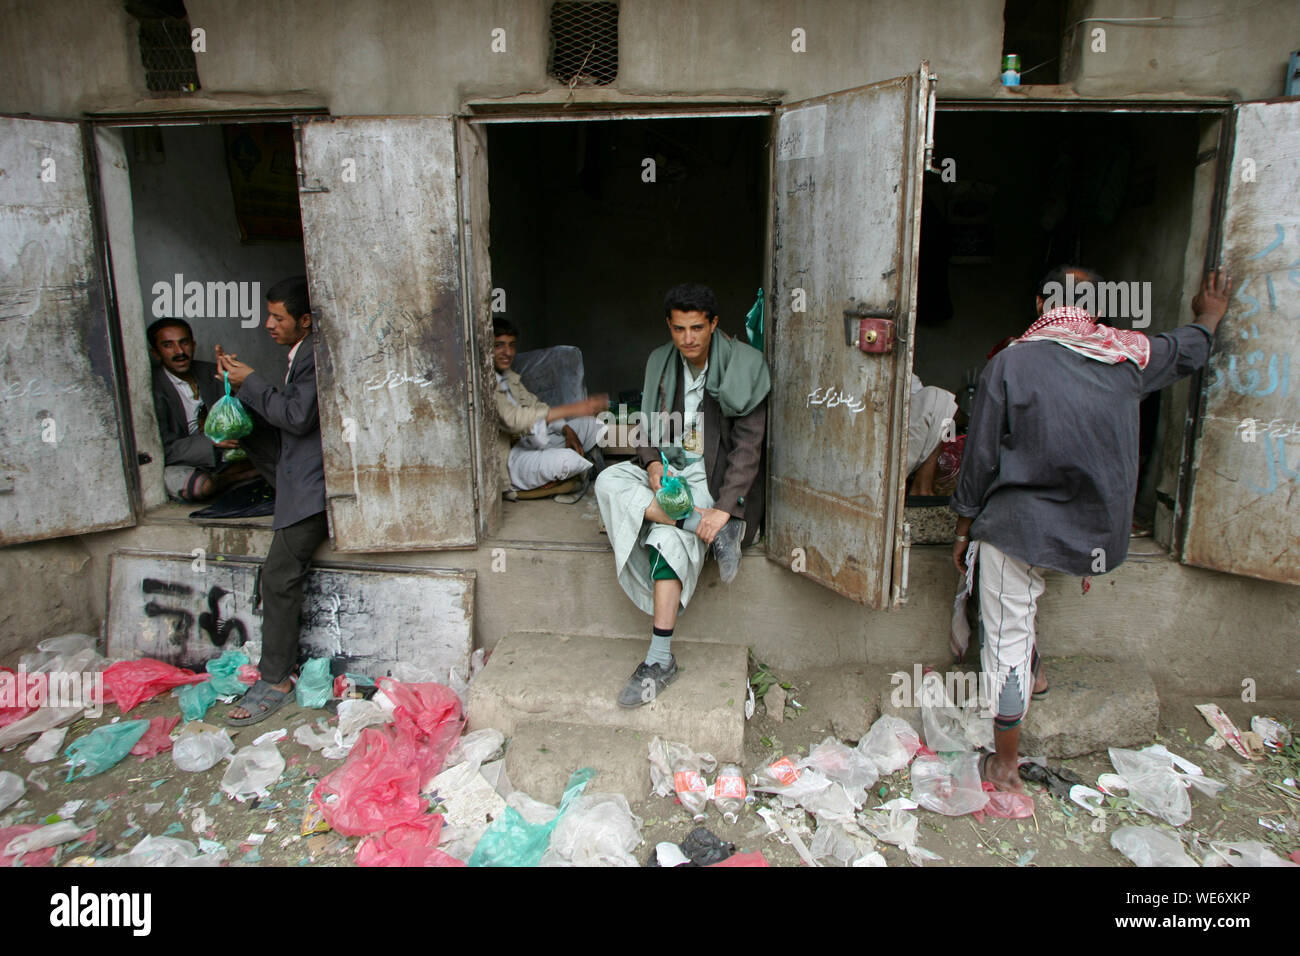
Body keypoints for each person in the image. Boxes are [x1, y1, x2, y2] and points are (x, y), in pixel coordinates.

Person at [950, 266, 1232, 793]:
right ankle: (1033, 672)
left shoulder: (1010, 362)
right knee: (1019, 595)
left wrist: (964, 529)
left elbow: (980, 457)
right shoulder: (1126, 358)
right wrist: (1210, 314)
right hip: (1095, 533)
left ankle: (1005, 763)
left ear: (1040, 303)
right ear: (1095, 308)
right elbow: (1188, 349)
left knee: (1005, 626)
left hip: (1020, 528)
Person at [595, 283, 770, 708]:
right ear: (668, 327)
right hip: (670, 478)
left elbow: (748, 450)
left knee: (666, 540)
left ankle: (659, 659)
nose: (687, 338)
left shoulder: (743, 366)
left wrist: (725, 512)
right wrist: (653, 464)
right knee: (608, 481)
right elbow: (644, 429)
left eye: (696, 328)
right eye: (678, 329)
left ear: (714, 325)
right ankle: (693, 523)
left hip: (714, 484)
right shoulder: (661, 362)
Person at [213, 276, 328, 725]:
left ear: (304, 320)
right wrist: (239, 392)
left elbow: (298, 417)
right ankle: (276, 673)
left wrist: (252, 382)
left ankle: (277, 678)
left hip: (314, 486)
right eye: (269, 315)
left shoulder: (314, 356)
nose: (269, 324)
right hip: (298, 475)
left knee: (278, 575)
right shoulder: (300, 355)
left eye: (278, 317)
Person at [492, 318, 609, 503]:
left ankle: (567, 475)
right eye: (499, 345)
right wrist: (573, 409)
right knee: (567, 460)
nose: (507, 352)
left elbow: (537, 406)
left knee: (594, 425)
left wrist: (567, 430)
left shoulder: (509, 378)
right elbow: (514, 420)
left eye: (511, 345)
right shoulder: (486, 383)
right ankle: (565, 477)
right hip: (512, 459)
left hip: (531, 442)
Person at [148, 318, 253, 501]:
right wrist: (211, 441)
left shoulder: (212, 373)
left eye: (184, 343)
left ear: (193, 344)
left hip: (225, 457)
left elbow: (243, 417)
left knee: (277, 455)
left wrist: (236, 383)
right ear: (155, 353)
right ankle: (233, 480)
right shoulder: (151, 389)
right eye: (168, 345)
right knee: (200, 486)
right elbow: (161, 449)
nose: (179, 352)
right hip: (182, 462)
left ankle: (232, 478)